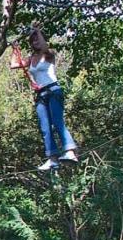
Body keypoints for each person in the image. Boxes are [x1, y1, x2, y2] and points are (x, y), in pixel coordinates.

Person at [12, 27, 78, 171]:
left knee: (57, 121)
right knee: (45, 128)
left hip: (53, 91)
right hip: (41, 95)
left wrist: (37, 30)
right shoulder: (31, 59)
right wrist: (14, 48)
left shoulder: (48, 54)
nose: (36, 42)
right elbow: (13, 65)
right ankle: (52, 158)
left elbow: (43, 43)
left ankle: (70, 151)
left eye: (37, 39)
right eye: (33, 40)